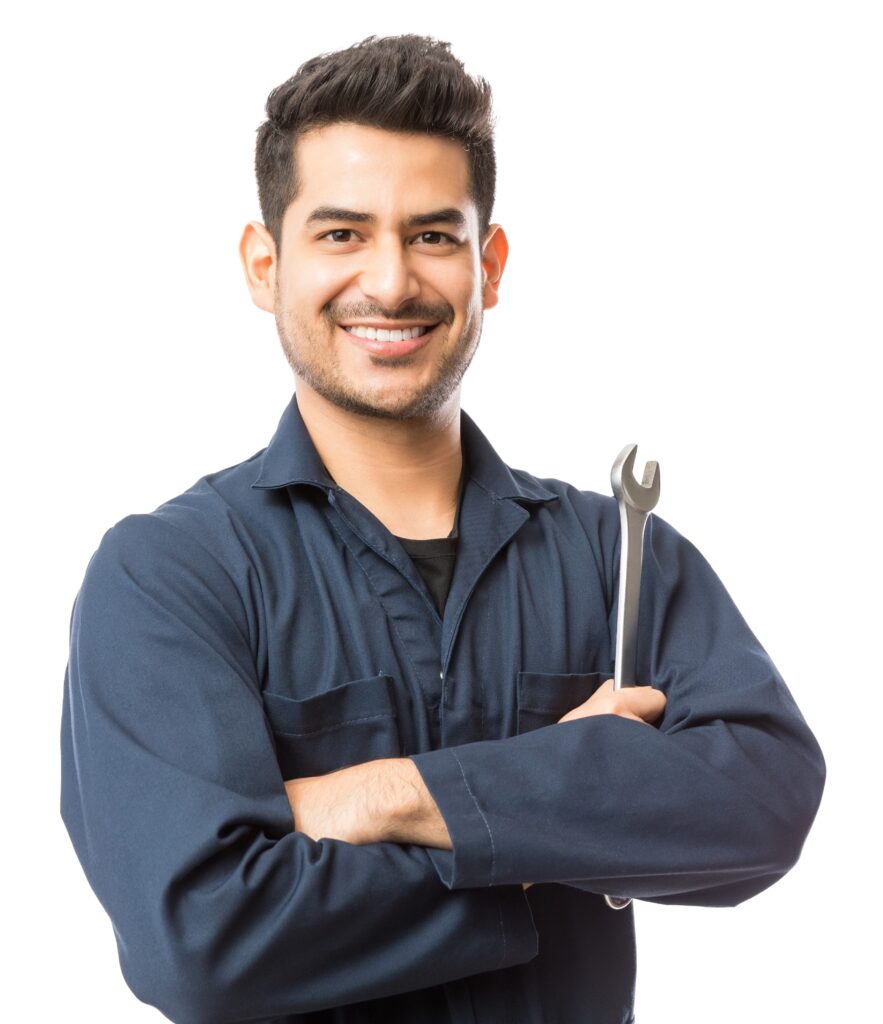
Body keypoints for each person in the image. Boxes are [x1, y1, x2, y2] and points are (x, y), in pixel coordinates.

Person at [59, 33, 826, 1024]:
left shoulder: (617, 553)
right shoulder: (169, 575)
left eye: (432, 235)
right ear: (264, 263)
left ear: (488, 262)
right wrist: (561, 807)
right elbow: (203, 938)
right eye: (341, 234)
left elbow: (761, 805)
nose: (390, 282)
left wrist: (380, 795)